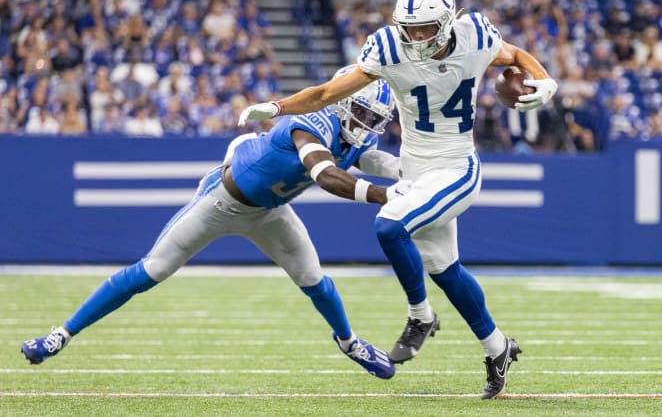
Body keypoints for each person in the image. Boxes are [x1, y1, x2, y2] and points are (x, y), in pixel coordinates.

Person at [238, 0, 558, 399]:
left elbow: (513, 55)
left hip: (456, 165)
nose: (416, 36)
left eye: (425, 27)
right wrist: (278, 107)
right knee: (445, 269)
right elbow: (326, 93)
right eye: (409, 26)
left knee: (389, 226)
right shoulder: (388, 46)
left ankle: (420, 316)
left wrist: (545, 81)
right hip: (414, 168)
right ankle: (498, 348)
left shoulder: (474, 34)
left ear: (446, 22)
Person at [21, 68, 404, 380]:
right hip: (222, 199)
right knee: (151, 270)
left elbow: (368, 159)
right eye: (365, 114)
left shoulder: (350, 132)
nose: (368, 124)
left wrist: (408, 171)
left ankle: (349, 342)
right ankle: (60, 335)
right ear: (342, 104)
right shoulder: (310, 123)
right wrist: (390, 196)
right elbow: (328, 178)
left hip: (270, 210)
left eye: (376, 120)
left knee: (314, 280)